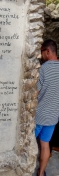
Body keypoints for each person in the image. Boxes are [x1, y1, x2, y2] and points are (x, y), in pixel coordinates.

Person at [35, 39, 59, 176]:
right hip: (52, 117)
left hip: (39, 116)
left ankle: (26, 169)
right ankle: (41, 172)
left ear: (48, 51)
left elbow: (35, 93)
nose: (40, 56)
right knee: (45, 145)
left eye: (41, 52)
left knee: (29, 144)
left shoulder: (43, 69)